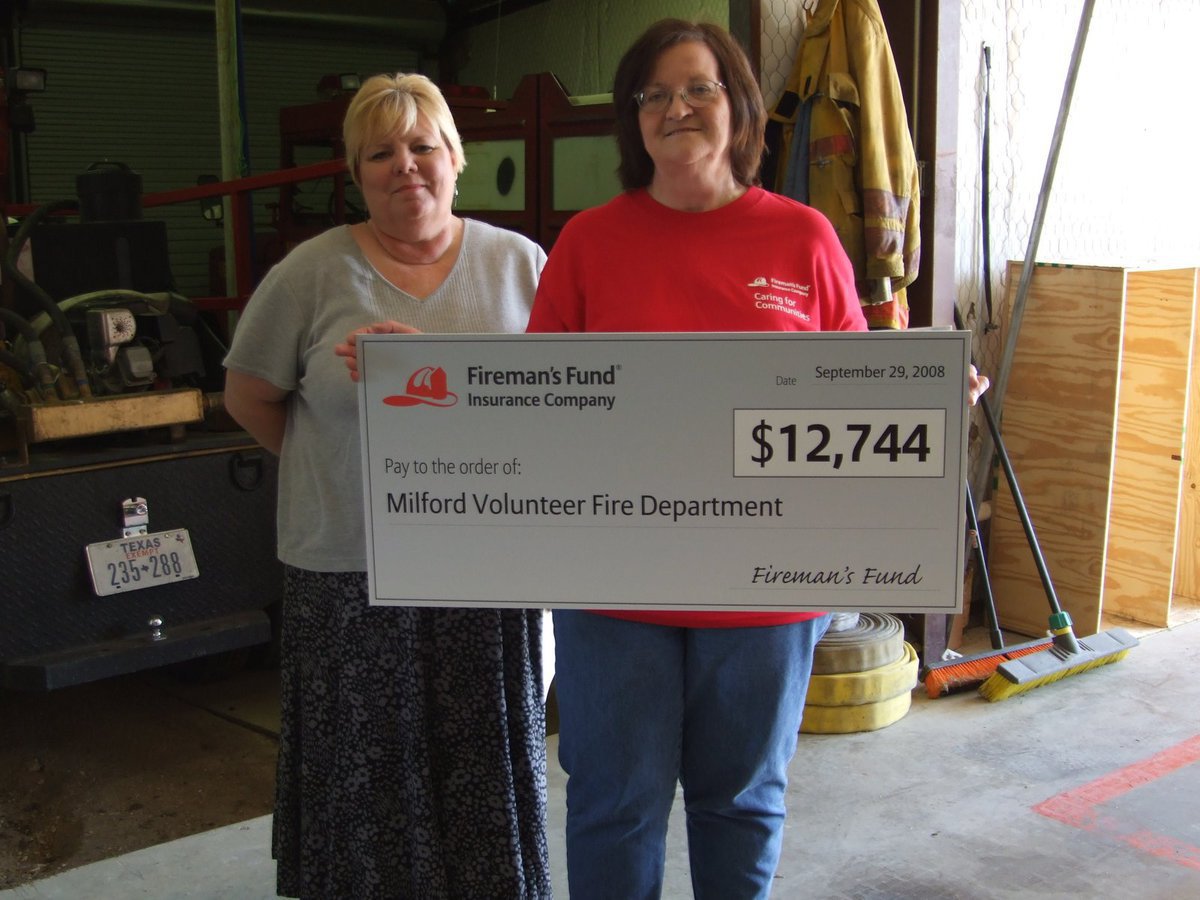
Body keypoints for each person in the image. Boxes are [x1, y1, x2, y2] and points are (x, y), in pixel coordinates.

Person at [525, 19, 988, 900]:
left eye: (699, 87)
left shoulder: (804, 239)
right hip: (615, 584)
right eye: (653, 93)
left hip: (767, 588)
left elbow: (854, 386)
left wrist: (923, 397)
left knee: (741, 801)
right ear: (632, 122)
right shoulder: (589, 242)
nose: (676, 108)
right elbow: (538, 403)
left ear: (739, 107)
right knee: (614, 802)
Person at [222, 73, 551, 900]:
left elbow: (558, 408)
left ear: (457, 158)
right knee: (366, 773)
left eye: (422, 146)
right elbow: (249, 395)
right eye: (381, 153)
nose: (405, 166)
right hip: (347, 571)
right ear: (356, 172)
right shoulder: (311, 273)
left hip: (486, 567)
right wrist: (333, 466)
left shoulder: (521, 266)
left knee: (485, 754)